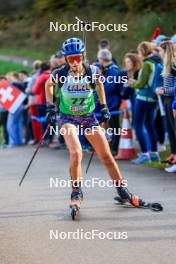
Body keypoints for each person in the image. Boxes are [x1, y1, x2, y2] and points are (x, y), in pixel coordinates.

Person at [45, 37, 153, 217]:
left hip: (88, 118)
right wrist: (50, 106)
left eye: (77, 57)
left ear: (83, 56)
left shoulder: (92, 71)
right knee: (76, 152)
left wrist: (103, 106)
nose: (74, 61)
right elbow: (48, 84)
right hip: (67, 118)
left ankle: (123, 192)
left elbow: (100, 84)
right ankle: (76, 192)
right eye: (70, 58)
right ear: (65, 58)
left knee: (107, 157)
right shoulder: (60, 73)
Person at [128, 41, 161, 164]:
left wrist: (132, 83)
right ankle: (154, 153)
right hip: (152, 98)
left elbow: (141, 83)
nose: (138, 54)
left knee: (138, 126)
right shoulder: (156, 62)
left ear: (142, 51)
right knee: (149, 125)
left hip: (143, 98)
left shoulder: (147, 64)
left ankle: (145, 153)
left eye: (138, 51)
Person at [96, 49, 123, 154]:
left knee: (114, 126)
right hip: (109, 103)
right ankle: (110, 147)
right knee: (109, 126)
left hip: (113, 103)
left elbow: (109, 87)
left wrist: (99, 87)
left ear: (102, 59)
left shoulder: (113, 70)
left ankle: (114, 148)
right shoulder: (107, 70)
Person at [156, 40, 176, 172]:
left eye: (160, 51)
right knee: (171, 130)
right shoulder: (166, 65)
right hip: (167, 100)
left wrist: (164, 90)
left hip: (172, 100)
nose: (159, 53)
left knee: (174, 130)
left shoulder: (173, 66)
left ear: (166, 51)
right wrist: (163, 88)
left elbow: (174, 88)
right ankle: (173, 157)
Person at [31, 61, 50, 144]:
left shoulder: (41, 77)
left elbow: (34, 90)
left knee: (42, 121)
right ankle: (50, 139)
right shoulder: (53, 75)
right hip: (51, 102)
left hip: (41, 102)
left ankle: (45, 139)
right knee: (50, 120)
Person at [6, 72, 24, 147]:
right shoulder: (20, 83)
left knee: (10, 125)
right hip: (20, 105)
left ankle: (12, 142)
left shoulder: (13, 84)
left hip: (14, 106)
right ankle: (19, 141)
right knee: (18, 124)